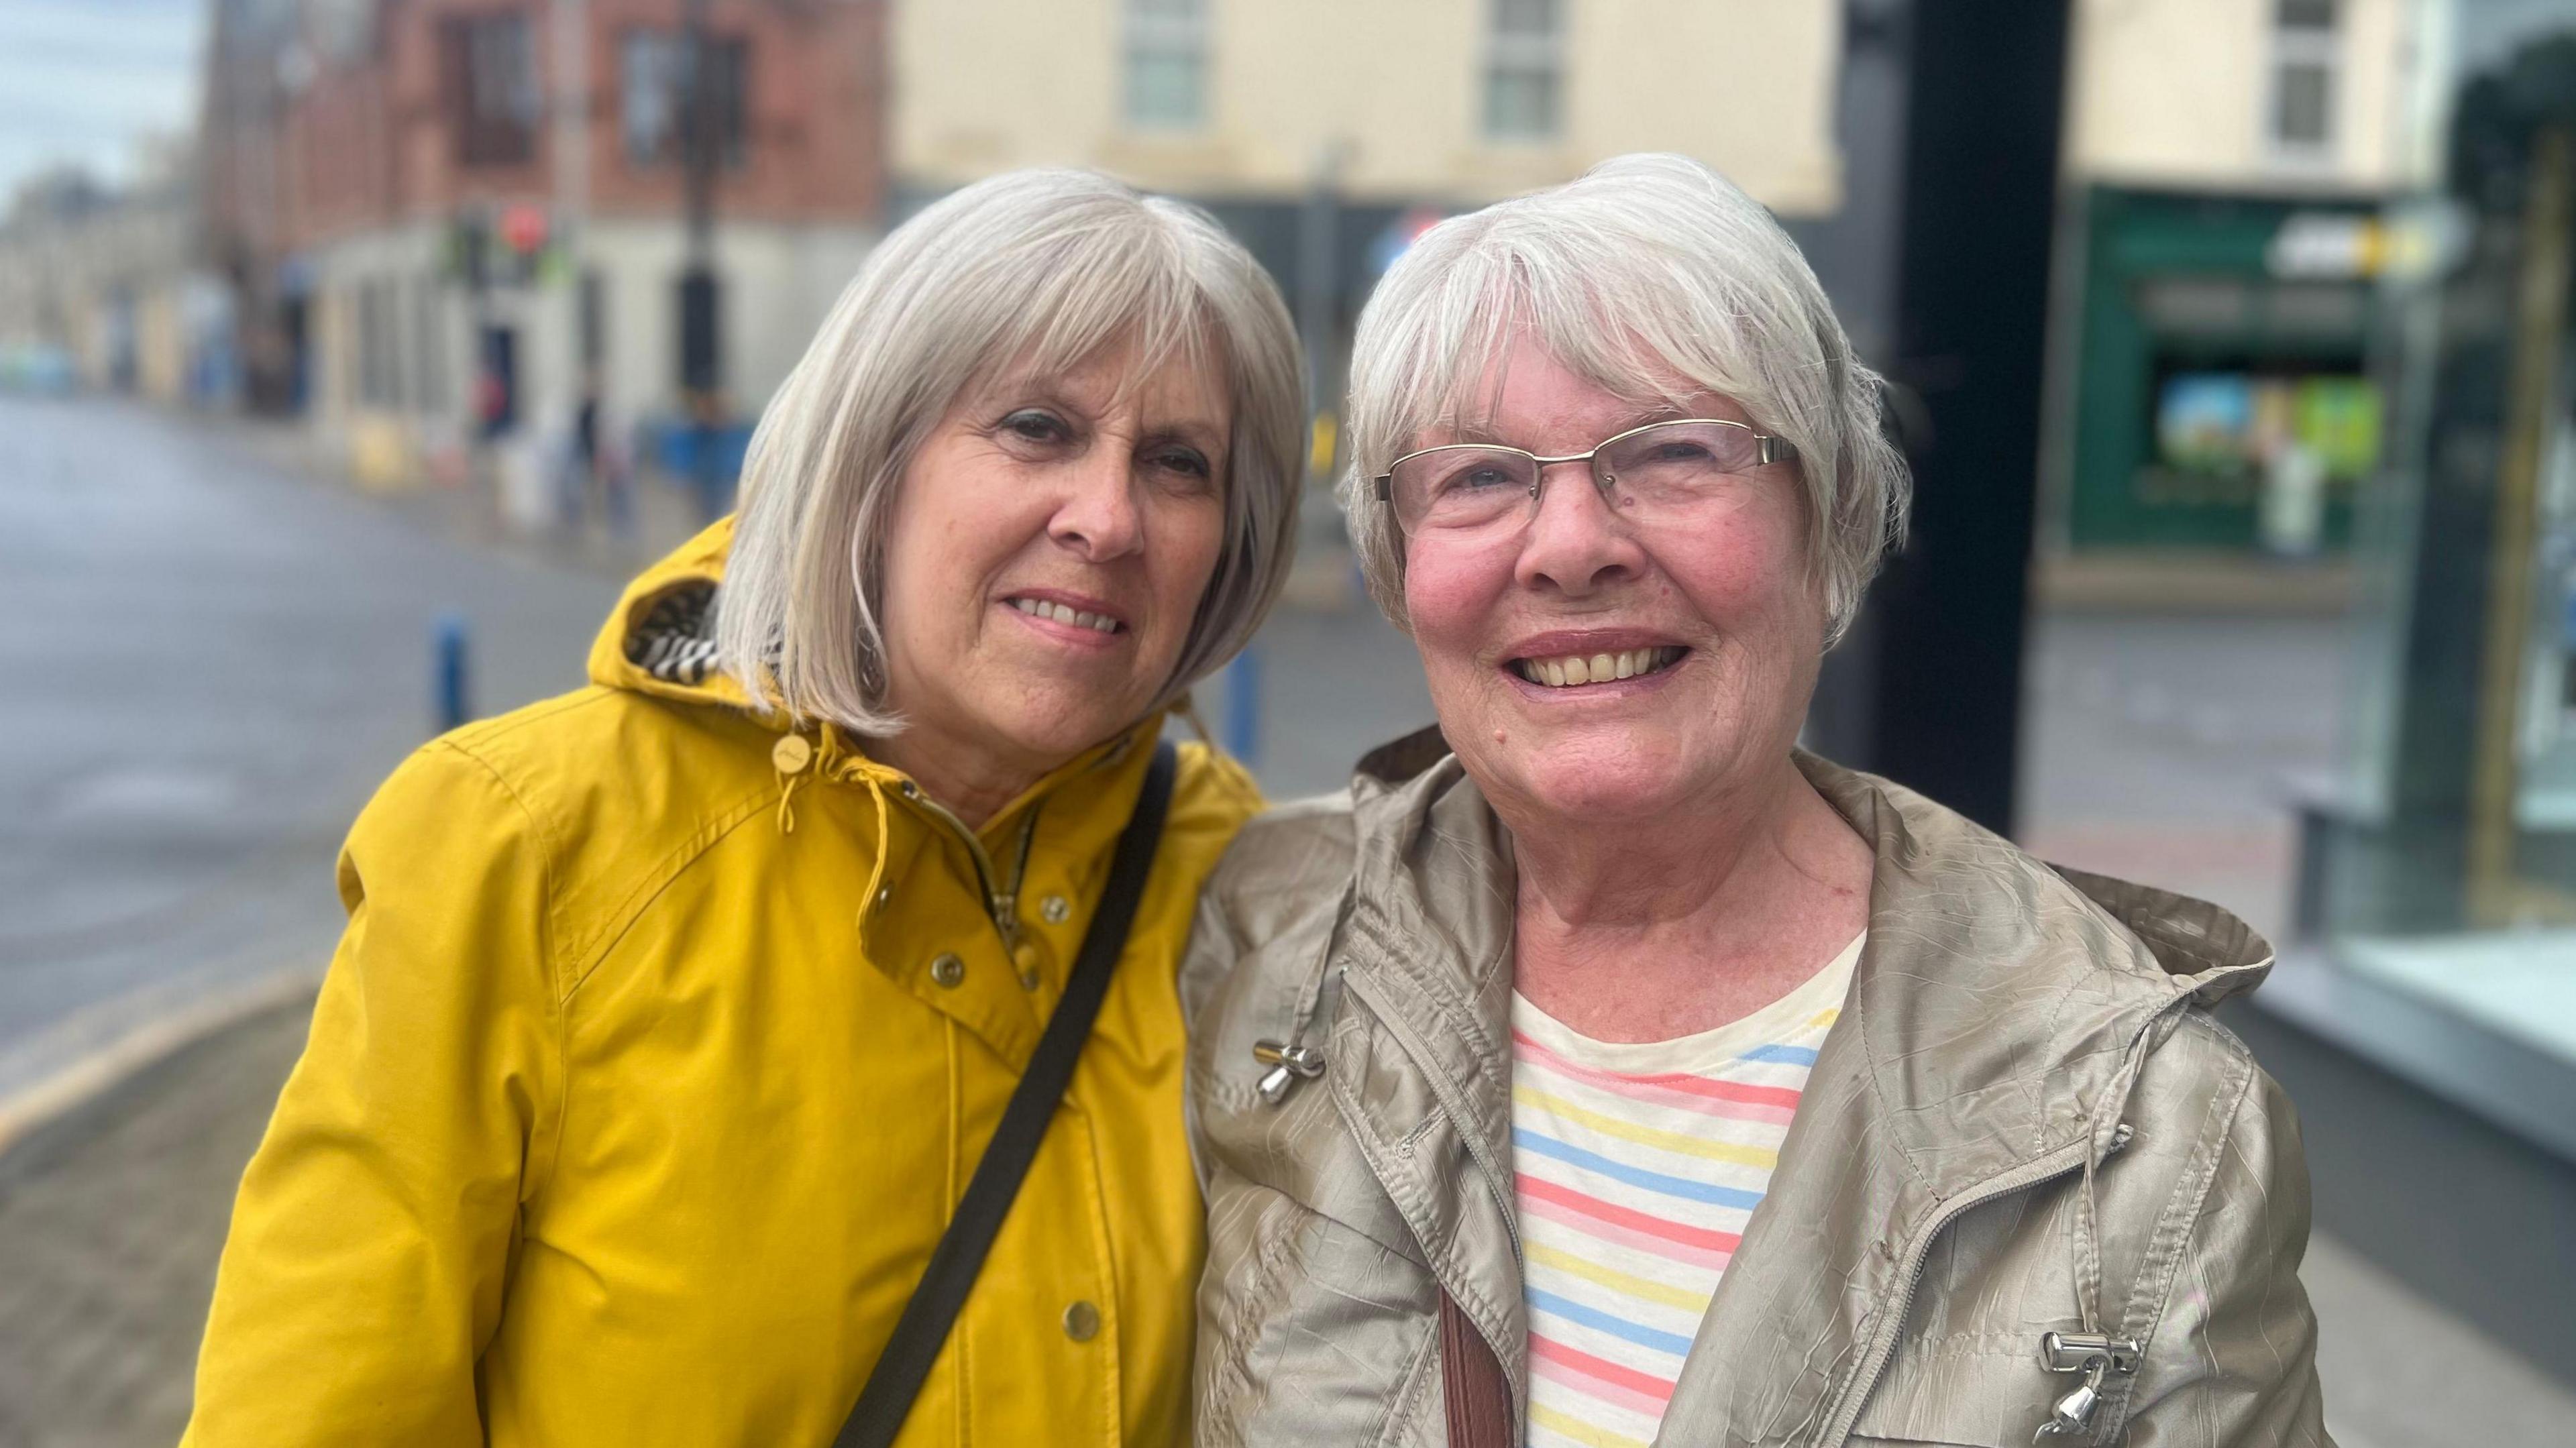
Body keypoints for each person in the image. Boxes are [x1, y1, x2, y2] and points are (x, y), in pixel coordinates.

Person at [1184, 154, 2329, 1447]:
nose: (1570, 546)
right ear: (1400, 566)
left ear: (1831, 513)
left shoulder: (2155, 1132)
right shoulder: (1264, 933)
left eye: (1672, 453)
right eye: (1481, 477)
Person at [185, 168, 1304, 1445]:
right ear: (870, 460)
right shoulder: (522, 849)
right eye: (1036, 427)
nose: (1108, 519)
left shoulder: (1245, 876)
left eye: (1177, 462)